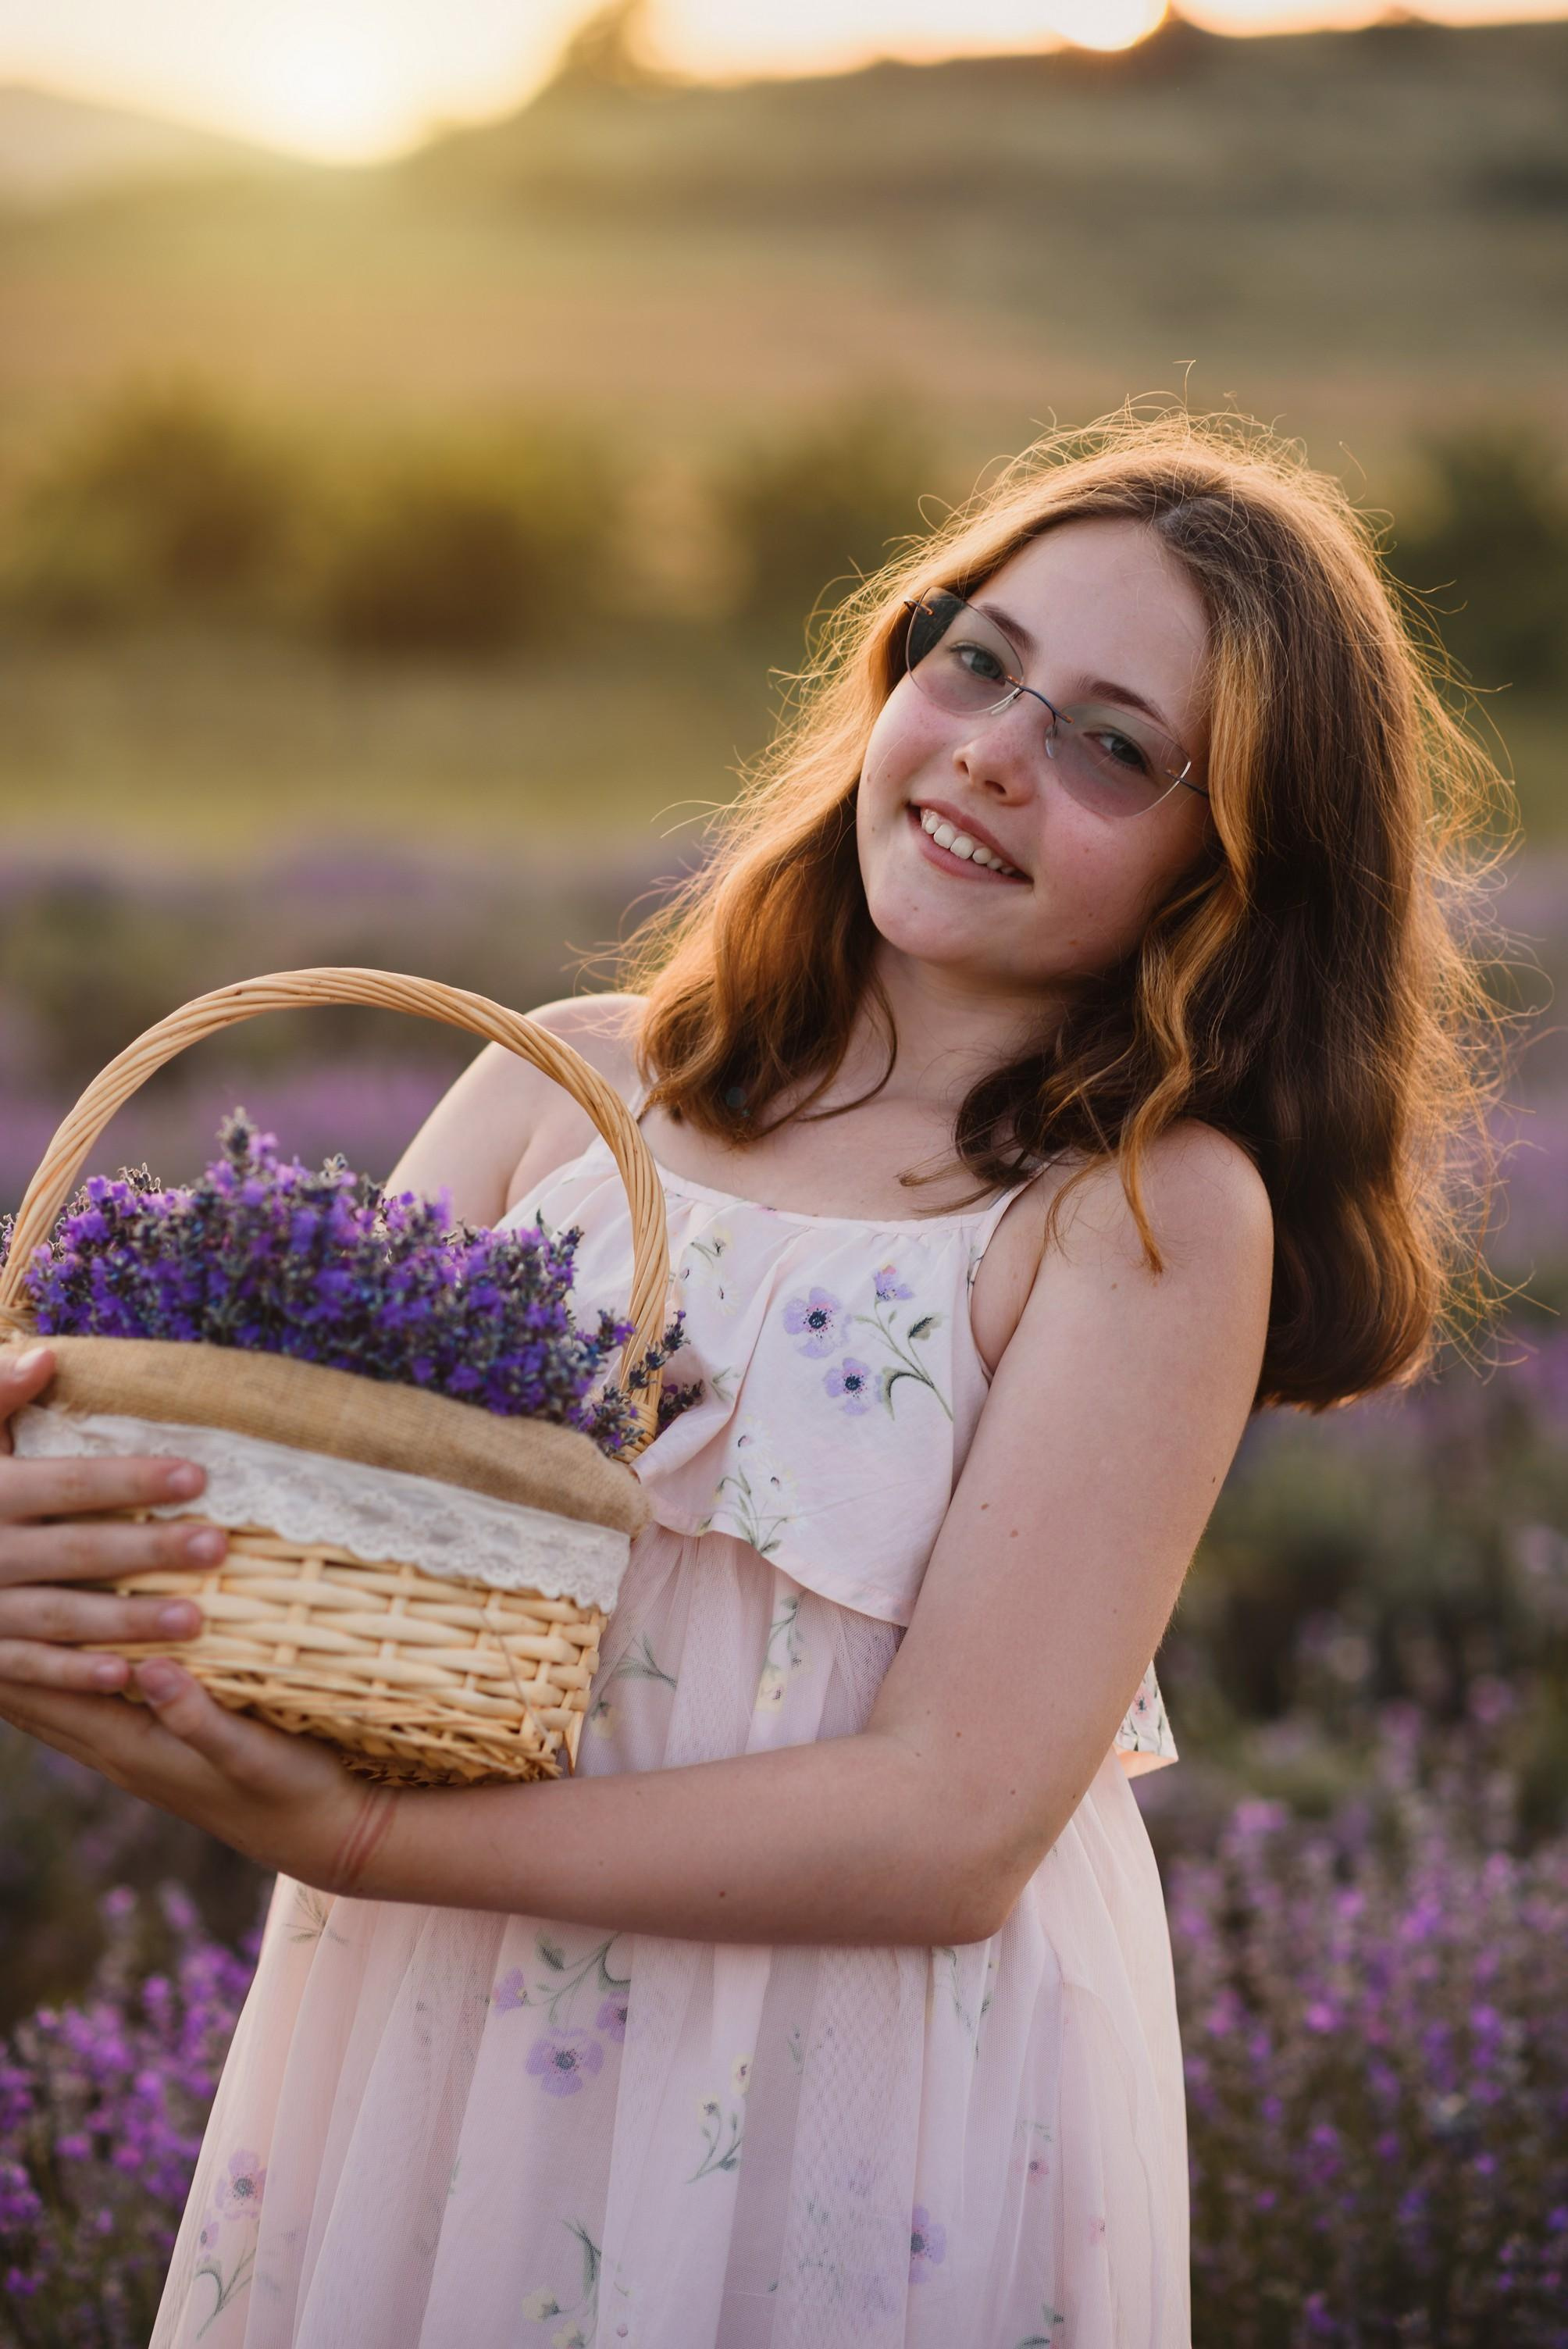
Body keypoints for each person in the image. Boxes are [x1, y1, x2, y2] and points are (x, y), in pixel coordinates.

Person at [0, 405, 1510, 2348]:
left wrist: (367, 1841)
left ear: (1230, 873)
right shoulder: (571, 1086)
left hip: (834, 2073)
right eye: (974, 657)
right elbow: (282, 1499)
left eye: (1111, 746)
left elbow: (947, 1822)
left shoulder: (1131, 1211)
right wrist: (67, 1479)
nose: (989, 748)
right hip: (444, 2003)